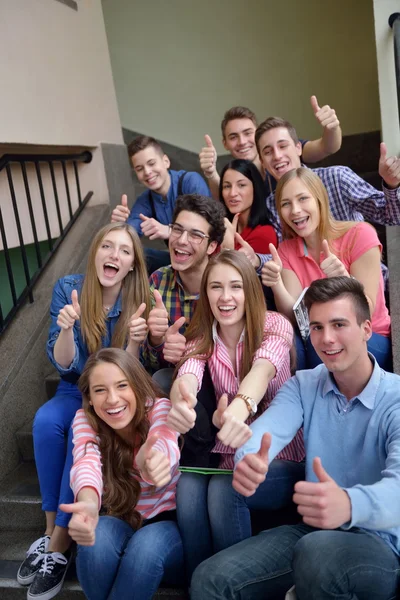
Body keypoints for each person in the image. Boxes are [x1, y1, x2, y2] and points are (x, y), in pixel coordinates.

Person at [191, 276, 400, 600]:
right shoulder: (305, 384)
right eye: (316, 327)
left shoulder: (396, 399)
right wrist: (250, 458)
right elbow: (267, 431)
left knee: (317, 554)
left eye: (339, 324)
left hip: (380, 544)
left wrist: (348, 503)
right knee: (209, 579)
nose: (327, 338)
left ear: (366, 330)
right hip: (314, 532)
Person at [17, 223, 150, 600]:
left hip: (112, 398)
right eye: (107, 246)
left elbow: (132, 377)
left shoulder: (139, 297)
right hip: (74, 387)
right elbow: (63, 365)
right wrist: (64, 330)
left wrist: (136, 343)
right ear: (94, 253)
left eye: (124, 251)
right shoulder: (69, 288)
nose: (114, 255)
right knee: (45, 422)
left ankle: (59, 544)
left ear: (132, 265)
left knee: (80, 431)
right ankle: (47, 533)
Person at [168, 251, 305, 580]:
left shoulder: (275, 324)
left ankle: (235, 582)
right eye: (216, 287)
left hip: (278, 455)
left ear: (250, 291)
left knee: (221, 489)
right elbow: (187, 374)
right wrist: (181, 402)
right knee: (187, 490)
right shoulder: (202, 337)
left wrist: (240, 406)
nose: (225, 297)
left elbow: (264, 368)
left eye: (235, 286)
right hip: (230, 452)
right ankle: (199, 582)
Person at [60, 348, 183, 600]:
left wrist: (152, 463)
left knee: (144, 549)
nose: (113, 399)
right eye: (100, 390)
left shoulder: (159, 408)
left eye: (121, 385)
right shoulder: (85, 419)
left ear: (137, 386)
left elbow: (165, 441)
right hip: (121, 518)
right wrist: (88, 503)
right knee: (95, 539)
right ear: (90, 398)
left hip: (168, 527)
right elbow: (86, 463)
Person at [261, 167, 392, 371]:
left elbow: (368, 309)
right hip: (318, 337)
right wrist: (277, 283)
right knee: (289, 342)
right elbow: (296, 318)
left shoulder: (360, 234)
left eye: (303, 198)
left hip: (370, 336)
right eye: (286, 204)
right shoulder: (286, 250)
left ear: (320, 199)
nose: (295, 210)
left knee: (321, 341)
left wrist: (344, 280)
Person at [255, 116, 400, 244]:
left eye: (283, 146)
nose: (277, 156)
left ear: (298, 148)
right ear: (262, 162)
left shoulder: (337, 178)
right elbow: (283, 254)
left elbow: (392, 217)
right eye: (268, 152)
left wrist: (392, 185)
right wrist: (256, 260)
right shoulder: (272, 204)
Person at [199, 98, 342, 199]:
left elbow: (327, 147)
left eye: (248, 133)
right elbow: (226, 200)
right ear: (225, 144)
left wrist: (332, 128)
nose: (242, 141)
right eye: (233, 137)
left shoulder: (282, 150)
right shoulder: (234, 172)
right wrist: (211, 173)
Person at [111, 135, 210, 273]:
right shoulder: (145, 201)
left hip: (206, 258)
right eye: (139, 169)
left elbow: (205, 230)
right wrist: (118, 226)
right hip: (177, 258)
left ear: (166, 161)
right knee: (134, 254)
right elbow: (128, 236)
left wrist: (170, 231)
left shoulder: (190, 181)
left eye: (151, 163)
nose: (147, 172)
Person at [219, 159, 277, 254]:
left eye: (241, 185)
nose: (232, 193)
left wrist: (228, 247)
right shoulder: (222, 228)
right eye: (227, 186)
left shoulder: (264, 234)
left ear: (255, 188)